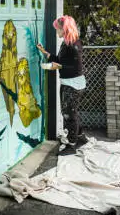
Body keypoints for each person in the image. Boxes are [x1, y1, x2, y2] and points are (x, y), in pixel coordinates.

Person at [37, 15, 87, 155]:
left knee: (69, 115)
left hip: (73, 85)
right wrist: (45, 53)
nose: (56, 31)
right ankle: (79, 136)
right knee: (72, 112)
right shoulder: (67, 43)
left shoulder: (74, 45)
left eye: (57, 29)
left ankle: (71, 145)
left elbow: (76, 68)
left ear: (64, 29)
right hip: (70, 83)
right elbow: (60, 60)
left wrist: (55, 67)